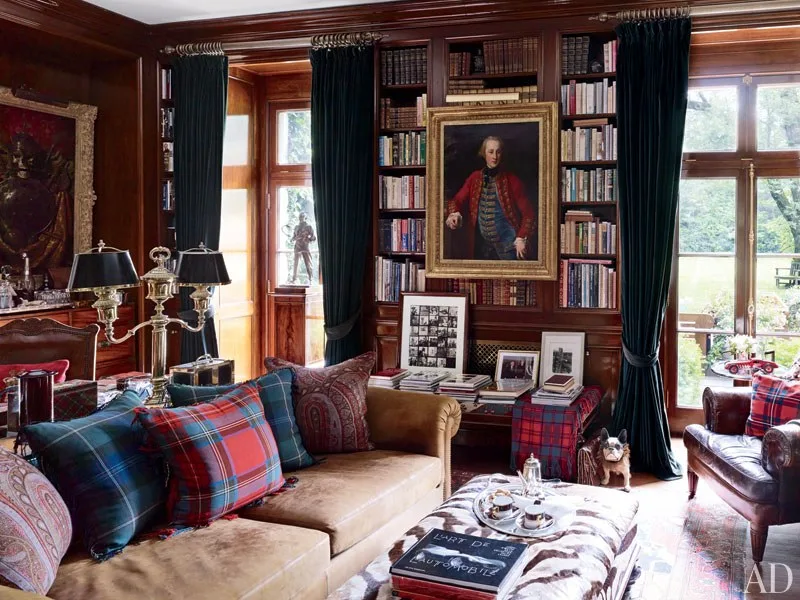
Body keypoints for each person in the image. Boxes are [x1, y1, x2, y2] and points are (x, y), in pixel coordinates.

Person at [445, 136, 535, 260]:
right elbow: (458, 199)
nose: (495, 156)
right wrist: (454, 214)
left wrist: (521, 238)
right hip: (483, 247)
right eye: (491, 152)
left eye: (498, 152)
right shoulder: (475, 178)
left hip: (508, 246)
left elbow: (528, 213)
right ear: (484, 153)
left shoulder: (512, 180)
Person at [287, 212, 316, 284]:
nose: (300, 218)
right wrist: (292, 239)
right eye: (300, 216)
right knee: (296, 263)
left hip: (305, 246)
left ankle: (310, 278)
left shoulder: (309, 227)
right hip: (297, 246)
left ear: (305, 218)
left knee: (308, 263)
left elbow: (313, 237)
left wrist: (307, 239)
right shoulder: (296, 227)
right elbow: (294, 236)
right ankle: (294, 279)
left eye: (302, 217)